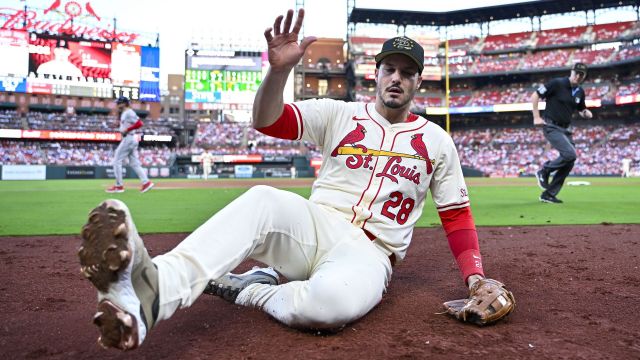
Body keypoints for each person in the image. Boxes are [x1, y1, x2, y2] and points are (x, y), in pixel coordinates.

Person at [78, 9, 513, 351]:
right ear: (375, 74)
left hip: (370, 255)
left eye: (407, 71)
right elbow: (268, 120)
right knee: (263, 199)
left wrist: (475, 276)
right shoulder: (339, 113)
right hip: (312, 227)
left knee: (326, 309)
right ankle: (148, 293)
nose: (396, 77)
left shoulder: (436, 140)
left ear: (419, 80)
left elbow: (456, 216)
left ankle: (252, 291)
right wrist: (279, 72)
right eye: (389, 68)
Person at [532, 62, 593, 204]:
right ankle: (544, 171)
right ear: (571, 72)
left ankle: (548, 194)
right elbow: (535, 95)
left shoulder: (580, 92)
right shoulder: (557, 83)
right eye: (576, 73)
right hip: (551, 125)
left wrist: (585, 112)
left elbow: (581, 108)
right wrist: (536, 117)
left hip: (566, 129)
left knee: (570, 161)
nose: (578, 76)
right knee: (570, 154)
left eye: (581, 74)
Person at [105, 96, 154, 193]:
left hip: (129, 138)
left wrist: (127, 129)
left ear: (124, 103)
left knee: (116, 160)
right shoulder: (125, 113)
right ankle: (146, 183)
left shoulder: (129, 112)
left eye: (119, 103)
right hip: (130, 138)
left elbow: (139, 123)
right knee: (134, 163)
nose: (117, 104)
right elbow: (129, 124)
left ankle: (119, 186)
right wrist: (120, 126)